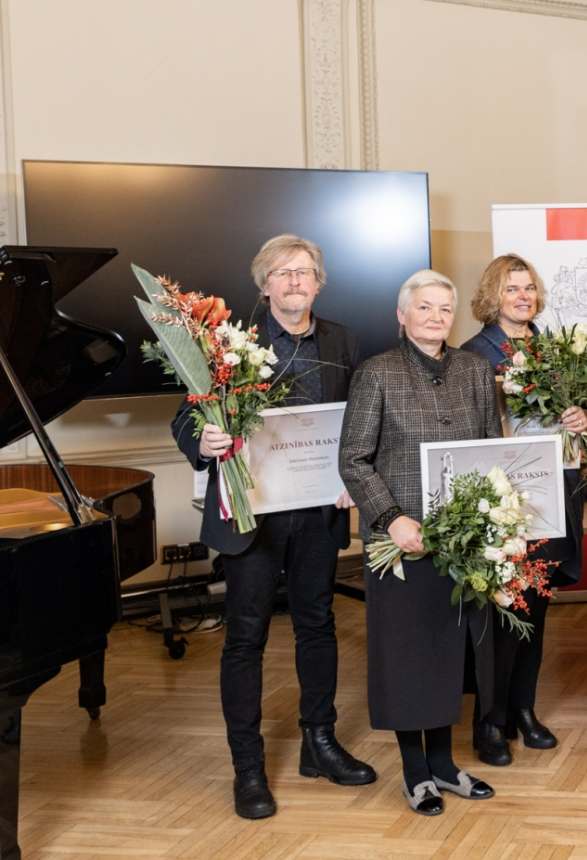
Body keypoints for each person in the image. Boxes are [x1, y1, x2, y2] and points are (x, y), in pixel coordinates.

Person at [171, 233, 372, 820]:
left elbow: (360, 422)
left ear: (318, 282)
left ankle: (320, 744)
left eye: (303, 272)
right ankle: (248, 767)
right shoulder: (228, 343)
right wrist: (202, 441)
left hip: (317, 512)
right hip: (250, 515)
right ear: (264, 286)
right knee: (245, 638)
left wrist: (352, 477)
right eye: (281, 274)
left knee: (317, 624)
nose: (293, 282)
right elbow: (185, 418)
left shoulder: (345, 340)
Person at [338, 269, 499, 816]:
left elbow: (492, 454)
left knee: (450, 654)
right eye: (424, 308)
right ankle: (415, 773)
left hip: (463, 542)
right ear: (402, 315)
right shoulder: (375, 374)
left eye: (444, 309)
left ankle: (447, 766)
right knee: (407, 657)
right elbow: (353, 461)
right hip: (400, 544)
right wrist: (391, 518)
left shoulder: (478, 371)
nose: (436, 317)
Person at [460, 254, 587, 763]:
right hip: (504, 502)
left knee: (535, 609)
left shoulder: (556, 349)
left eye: (529, 287)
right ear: (493, 295)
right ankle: (489, 722)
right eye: (512, 288)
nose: (523, 296)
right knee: (501, 612)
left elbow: (581, 411)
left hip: (554, 491)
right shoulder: (473, 355)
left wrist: (581, 415)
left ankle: (524, 710)